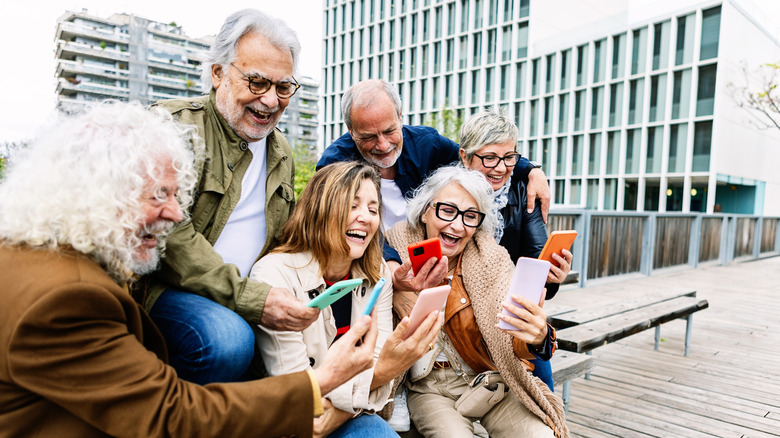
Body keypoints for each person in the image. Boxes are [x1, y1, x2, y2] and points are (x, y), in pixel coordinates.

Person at [0, 101, 381, 437]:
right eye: (159, 195)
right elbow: (171, 416)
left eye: (176, 194)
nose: (177, 213)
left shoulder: (28, 255)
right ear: (99, 194)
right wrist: (322, 380)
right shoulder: (69, 299)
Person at [141, 9, 320, 384]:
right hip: (166, 292)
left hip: (248, 293)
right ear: (218, 73)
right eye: (257, 82)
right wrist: (250, 299)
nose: (271, 101)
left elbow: (284, 240)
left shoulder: (282, 151)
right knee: (228, 339)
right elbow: (169, 236)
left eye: (283, 87)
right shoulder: (172, 127)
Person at [251, 161, 442, 437]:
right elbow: (297, 393)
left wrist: (338, 414)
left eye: (373, 209)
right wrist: (383, 373)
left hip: (348, 413)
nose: (365, 217)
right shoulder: (274, 274)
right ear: (320, 210)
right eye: (352, 206)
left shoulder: (377, 274)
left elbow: (378, 376)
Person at [385, 165, 568, 438]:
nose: (457, 225)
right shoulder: (391, 253)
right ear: (425, 211)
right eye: (447, 211)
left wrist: (539, 336)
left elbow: (513, 337)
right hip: (430, 388)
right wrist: (396, 289)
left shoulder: (492, 258)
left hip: (492, 380)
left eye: (470, 216)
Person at [458, 110, 573, 391]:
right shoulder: (450, 192)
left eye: (510, 157)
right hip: (460, 314)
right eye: (490, 158)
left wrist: (552, 276)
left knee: (541, 387)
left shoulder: (522, 191)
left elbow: (537, 260)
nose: (501, 167)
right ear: (464, 157)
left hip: (509, 314)